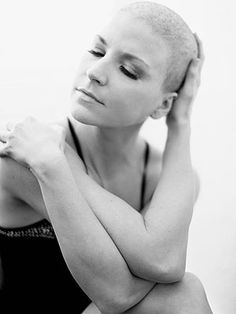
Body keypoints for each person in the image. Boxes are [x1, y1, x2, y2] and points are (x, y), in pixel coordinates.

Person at [0, 1, 212, 313]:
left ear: (164, 104)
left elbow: (164, 263)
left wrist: (180, 124)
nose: (94, 72)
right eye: (97, 51)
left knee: (185, 292)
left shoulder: (169, 178)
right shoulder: (25, 153)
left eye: (128, 70)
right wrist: (50, 164)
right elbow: (117, 294)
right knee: (183, 295)